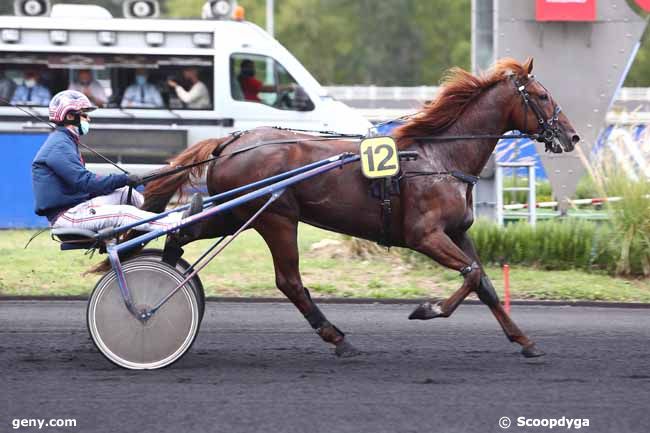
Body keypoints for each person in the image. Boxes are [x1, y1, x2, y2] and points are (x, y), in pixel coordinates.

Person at [32, 90, 202, 234]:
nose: (88, 119)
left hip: (77, 208)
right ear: (69, 116)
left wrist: (123, 182)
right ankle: (177, 225)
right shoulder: (58, 145)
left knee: (124, 192)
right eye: (84, 114)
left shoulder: (64, 141)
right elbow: (85, 182)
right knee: (124, 213)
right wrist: (123, 178)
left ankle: (165, 218)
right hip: (67, 216)